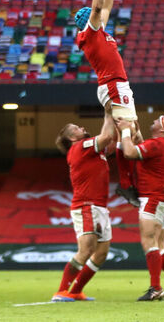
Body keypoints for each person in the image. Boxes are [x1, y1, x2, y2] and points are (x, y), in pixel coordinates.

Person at [74, 0, 139, 206]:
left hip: (115, 85)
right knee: (128, 131)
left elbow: (106, 7)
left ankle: (126, 181)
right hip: (113, 85)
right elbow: (98, 7)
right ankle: (127, 184)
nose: (102, 16)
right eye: (96, 16)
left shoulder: (99, 32)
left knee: (128, 132)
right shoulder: (90, 33)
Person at [119, 112, 164, 301]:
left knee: (149, 243)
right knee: (160, 246)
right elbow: (143, 147)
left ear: (162, 128)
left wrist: (125, 131)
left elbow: (129, 152)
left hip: (153, 199)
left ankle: (156, 288)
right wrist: (136, 132)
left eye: (157, 120)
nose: (153, 121)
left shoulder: (157, 144)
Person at [51, 109, 115, 302]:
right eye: (77, 128)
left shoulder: (92, 151)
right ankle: (61, 291)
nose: (82, 127)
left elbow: (112, 143)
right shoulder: (80, 147)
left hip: (99, 206)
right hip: (87, 205)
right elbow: (106, 136)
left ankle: (75, 291)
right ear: (72, 138)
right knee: (86, 250)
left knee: (101, 253)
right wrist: (108, 113)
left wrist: (124, 125)